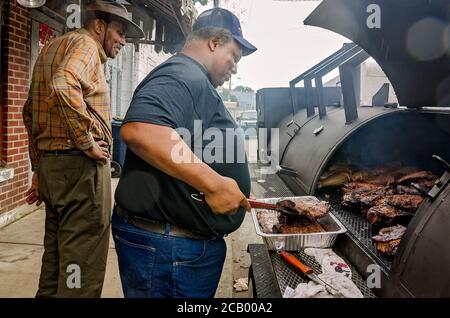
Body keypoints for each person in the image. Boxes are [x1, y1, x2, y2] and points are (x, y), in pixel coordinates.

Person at [112, 7, 257, 298]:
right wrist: (214, 185)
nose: (235, 68)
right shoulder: (184, 73)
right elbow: (141, 130)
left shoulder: (191, 78)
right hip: (170, 249)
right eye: (234, 57)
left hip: (173, 245)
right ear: (214, 42)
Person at [22, 0, 144, 297]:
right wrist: (86, 142)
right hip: (81, 173)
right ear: (99, 26)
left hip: (53, 171)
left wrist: (38, 169)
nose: (123, 41)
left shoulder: (52, 47)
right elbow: (64, 84)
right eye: (120, 31)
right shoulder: (87, 45)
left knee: (55, 264)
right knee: (81, 268)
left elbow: (30, 112)